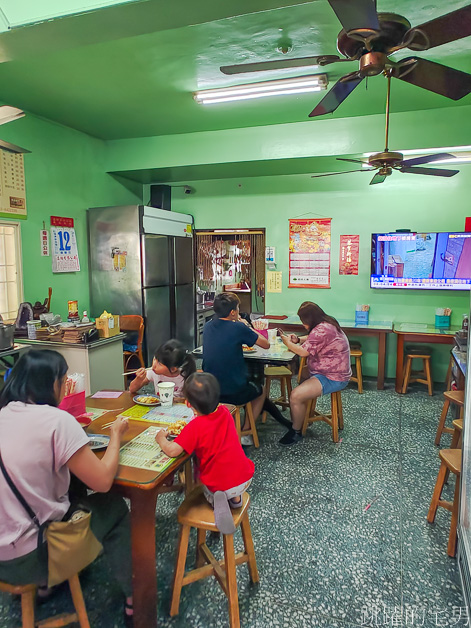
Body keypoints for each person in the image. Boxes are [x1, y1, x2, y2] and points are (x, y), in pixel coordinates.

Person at [0, 350, 133, 623]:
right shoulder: (58, 422)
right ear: (52, 384)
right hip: (31, 559)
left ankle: (49, 586)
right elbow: (103, 482)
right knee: (115, 507)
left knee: (72, 490)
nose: (66, 386)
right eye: (64, 380)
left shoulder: (4, 414)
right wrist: (116, 435)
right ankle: (135, 597)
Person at [156, 372, 254, 534]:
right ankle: (235, 500)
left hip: (219, 484)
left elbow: (173, 451)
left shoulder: (195, 427)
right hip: (244, 478)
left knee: (207, 486)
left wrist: (161, 439)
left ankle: (217, 500)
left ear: (188, 404)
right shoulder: (224, 412)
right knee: (229, 474)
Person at [202, 292, 291, 445]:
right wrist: (246, 325)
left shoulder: (208, 326)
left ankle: (228, 423)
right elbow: (265, 344)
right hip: (233, 391)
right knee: (260, 391)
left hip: (210, 389)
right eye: (237, 309)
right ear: (232, 312)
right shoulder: (238, 327)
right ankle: (245, 431)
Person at [278, 302, 351, 446]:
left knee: (295, 395)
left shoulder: (322, 329)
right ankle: (303, 415)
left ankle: (296, 432)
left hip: (332, 376)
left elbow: (303, 352)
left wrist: (288, 343)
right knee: (303, 376)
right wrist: (298, 339)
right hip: (332, 372)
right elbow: (312, 338)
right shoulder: (328, 323)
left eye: (303, 321)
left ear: (309, 319)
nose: (303, 324)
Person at [129, 338, 196, 398]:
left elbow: (193, 400)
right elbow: (132, 389)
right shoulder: (153, 372)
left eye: (159, 364)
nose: (154, 365)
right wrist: (139, 379)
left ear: (173, 369)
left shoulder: (185, 376)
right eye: (155, 358)